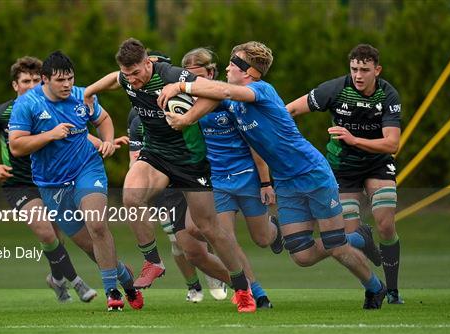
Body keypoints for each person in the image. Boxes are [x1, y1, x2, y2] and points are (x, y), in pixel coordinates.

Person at [159, 41, 387, 309]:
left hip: (312, 173)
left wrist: (180, 85)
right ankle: (358, 236)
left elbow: (220, 90)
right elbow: (214, 96)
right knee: (302, 256)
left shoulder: (260, 90)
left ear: (249, 72)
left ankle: (374, 287)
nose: (229, 67)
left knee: (335, 245)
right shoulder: (234, 103)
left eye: (235, 63)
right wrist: (184, 117)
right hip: (287, 182)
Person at [84, 38, 256, 312]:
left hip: (191, 160)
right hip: (157, 154)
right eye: (127, 74)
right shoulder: (128, 78)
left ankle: (242, 287)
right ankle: (153, 261)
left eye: (136, 73)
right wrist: (89, 91)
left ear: (148, 63)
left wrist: (187, 119)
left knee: (209, 228)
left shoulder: (173, 75)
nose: (132, 79)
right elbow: (114, 80)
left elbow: (215, 93)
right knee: (131, 197)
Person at [8, 51, 143, 312]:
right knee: (91, 247)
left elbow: (102, 119)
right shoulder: (28, 105)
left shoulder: (82, 96)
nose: (67, 84)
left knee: (97, 224)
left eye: (70, 78)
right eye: (60, 80)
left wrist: (106, 140)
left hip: (87, 169)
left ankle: (112, 293)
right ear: (45, 80)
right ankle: (125, 278)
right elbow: (17, 146)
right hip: (51, 185)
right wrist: (49, 135)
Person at [0, 56, 97, 304]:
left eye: (36, 80)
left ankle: (56, 279)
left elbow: (76, 134)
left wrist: (101, 142)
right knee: (46, 234)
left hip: (51, 180)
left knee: (56, 237)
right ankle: (78, 283)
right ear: (15, 85)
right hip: (19, 183)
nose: (31, 85)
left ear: (44, 81)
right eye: (25, 80)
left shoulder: (52, 108)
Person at [286, 44, 403, 304]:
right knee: (345, 242)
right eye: (354, 69)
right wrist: (280, 138)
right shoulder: (336, 89)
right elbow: (290, 111)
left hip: (378, 163)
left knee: (385, 223)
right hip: (342, 169)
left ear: (377, 70)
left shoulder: (388, 95)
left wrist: (353, 139)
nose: (358, 75)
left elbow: (392, 144)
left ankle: (393, 289)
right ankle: (373, 280)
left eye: (364, 69)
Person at [181, 47, 284, 308]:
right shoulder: (190, 103)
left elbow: (255, 142)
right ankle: (256, 293)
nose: (195, 82)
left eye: (199, 76)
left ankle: (276, 230)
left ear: (211, 73)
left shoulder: (232, 101)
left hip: (247, 176)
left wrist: (265, 182)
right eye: (189, 77)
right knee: (224, 238)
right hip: (217, 180)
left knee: (262, 239)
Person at [127, 51, 228, 303]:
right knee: (182, 244)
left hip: (195, 172)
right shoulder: (138, 114)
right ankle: (194, 286)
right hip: (164, 177)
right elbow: (137, 157)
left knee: (205, 230)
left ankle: (241, 281)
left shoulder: (197, 99)